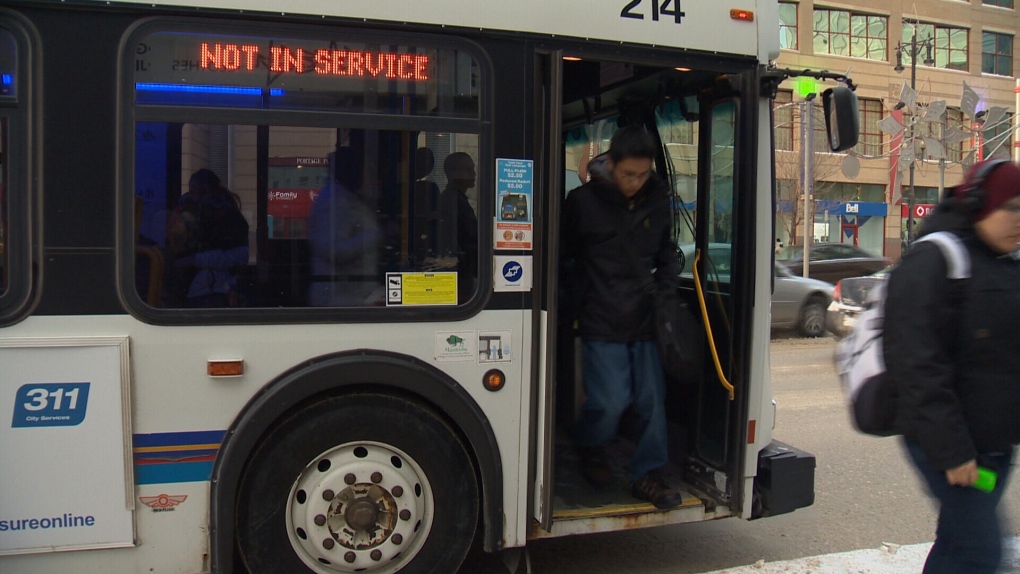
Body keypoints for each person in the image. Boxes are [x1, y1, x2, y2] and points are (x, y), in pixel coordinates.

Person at [884, 158, 1020, 574]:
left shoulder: (1006, 262)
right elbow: (916, 365)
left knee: (960, 545)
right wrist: (953, 452)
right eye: (1011, 207)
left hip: (993, 451)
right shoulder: (936, 260)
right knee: (981, 551)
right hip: (952, 450)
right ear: (980, 203)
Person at [560, 126, 682, 509]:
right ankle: (589, 445)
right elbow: (564, 257)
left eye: (643, 174)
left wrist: (664, 292)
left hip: (645, 319)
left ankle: (647, 473)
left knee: (651, 402)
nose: (635, 182)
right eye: (628, 174)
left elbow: (666, 253)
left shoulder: (657, 200)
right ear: (610, 165)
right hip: (600, 317)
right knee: (610, 401)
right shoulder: (582, 203)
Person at [307, 148, 384, 306]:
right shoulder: (333, 202)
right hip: (339, 296)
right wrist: (375, 236)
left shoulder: (347, 199)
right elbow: (332, 250)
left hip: (354, 293)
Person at [167, 168, 249, 307]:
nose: (195, 198)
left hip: (216, 290)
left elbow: (240, 256)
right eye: (192, 193)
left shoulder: (229, 217)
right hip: (190, 287)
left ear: (213, 192)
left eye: (201, 193)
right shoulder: (184, 212)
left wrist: (194, 260)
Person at [439, 152, 479, 304]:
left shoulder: (456, 199)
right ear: (454, 173)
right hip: (461, 272)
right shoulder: (455, 203)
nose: (473, 174)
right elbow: (470, 238)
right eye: (468, 170)